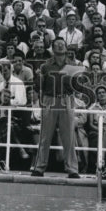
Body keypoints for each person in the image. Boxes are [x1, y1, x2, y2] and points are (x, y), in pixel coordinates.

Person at [30, 38, 81, 177]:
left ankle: (72, 169)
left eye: (62, 44)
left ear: (65, 48)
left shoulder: (73, 65)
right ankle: (40, 167)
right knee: (45, 136)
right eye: (57, 44)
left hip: (67, 99)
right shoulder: (45, 66)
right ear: (52, 48)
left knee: (69, 136)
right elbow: (39, 86)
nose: (59, 46)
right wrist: (38, 77)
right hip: (49, 99)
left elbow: (77, 87)